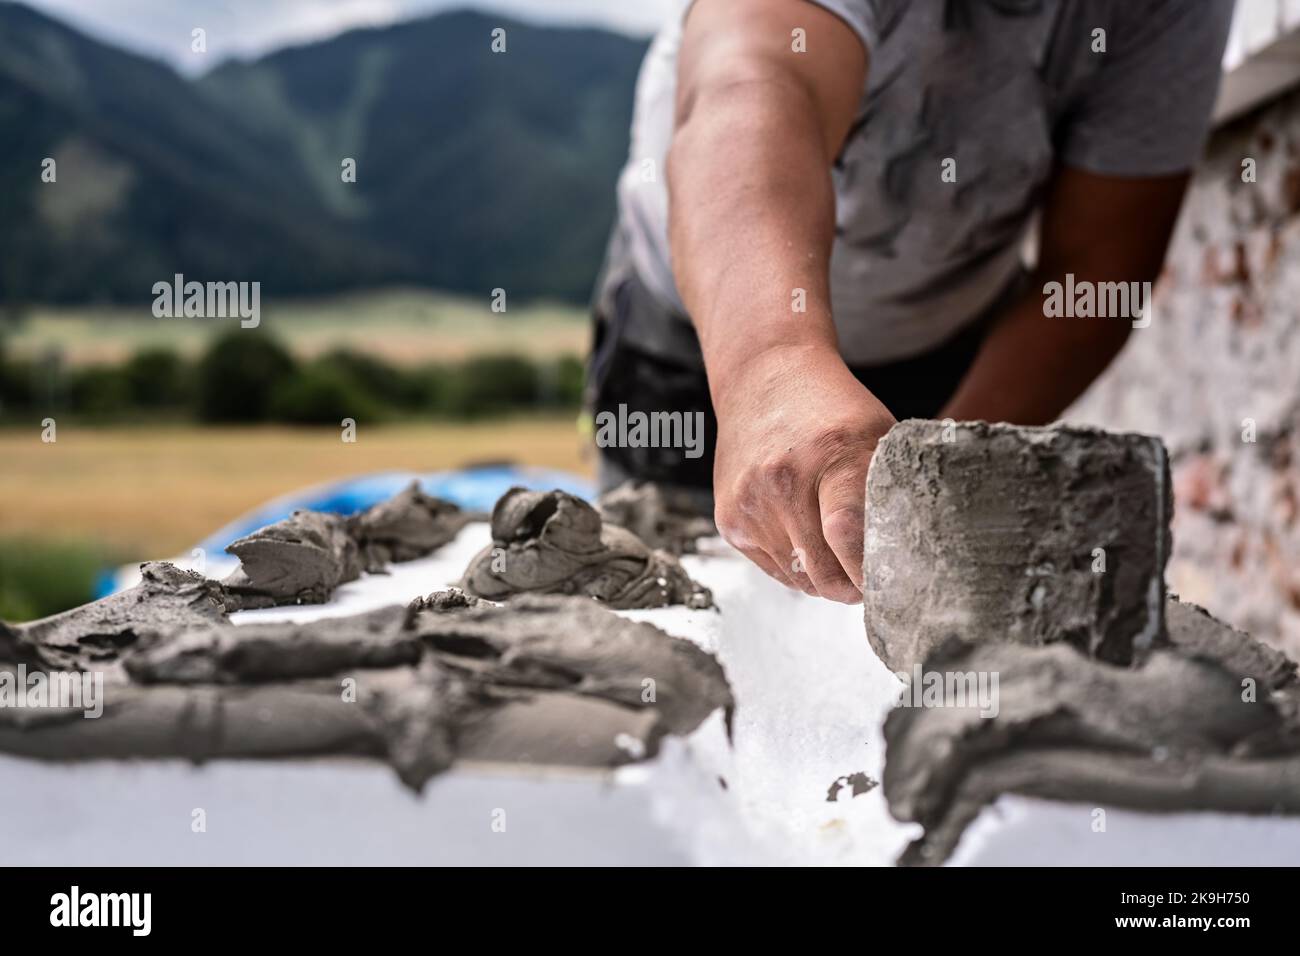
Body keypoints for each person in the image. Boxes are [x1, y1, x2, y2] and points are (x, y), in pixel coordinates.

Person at [587, 0, 1234, 603]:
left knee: (892, 613)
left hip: (939, 354)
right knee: (668, 620)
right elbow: (752, 87)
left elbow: (1094, 276)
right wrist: (769, 369)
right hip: (707, 341)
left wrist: (940, 469)